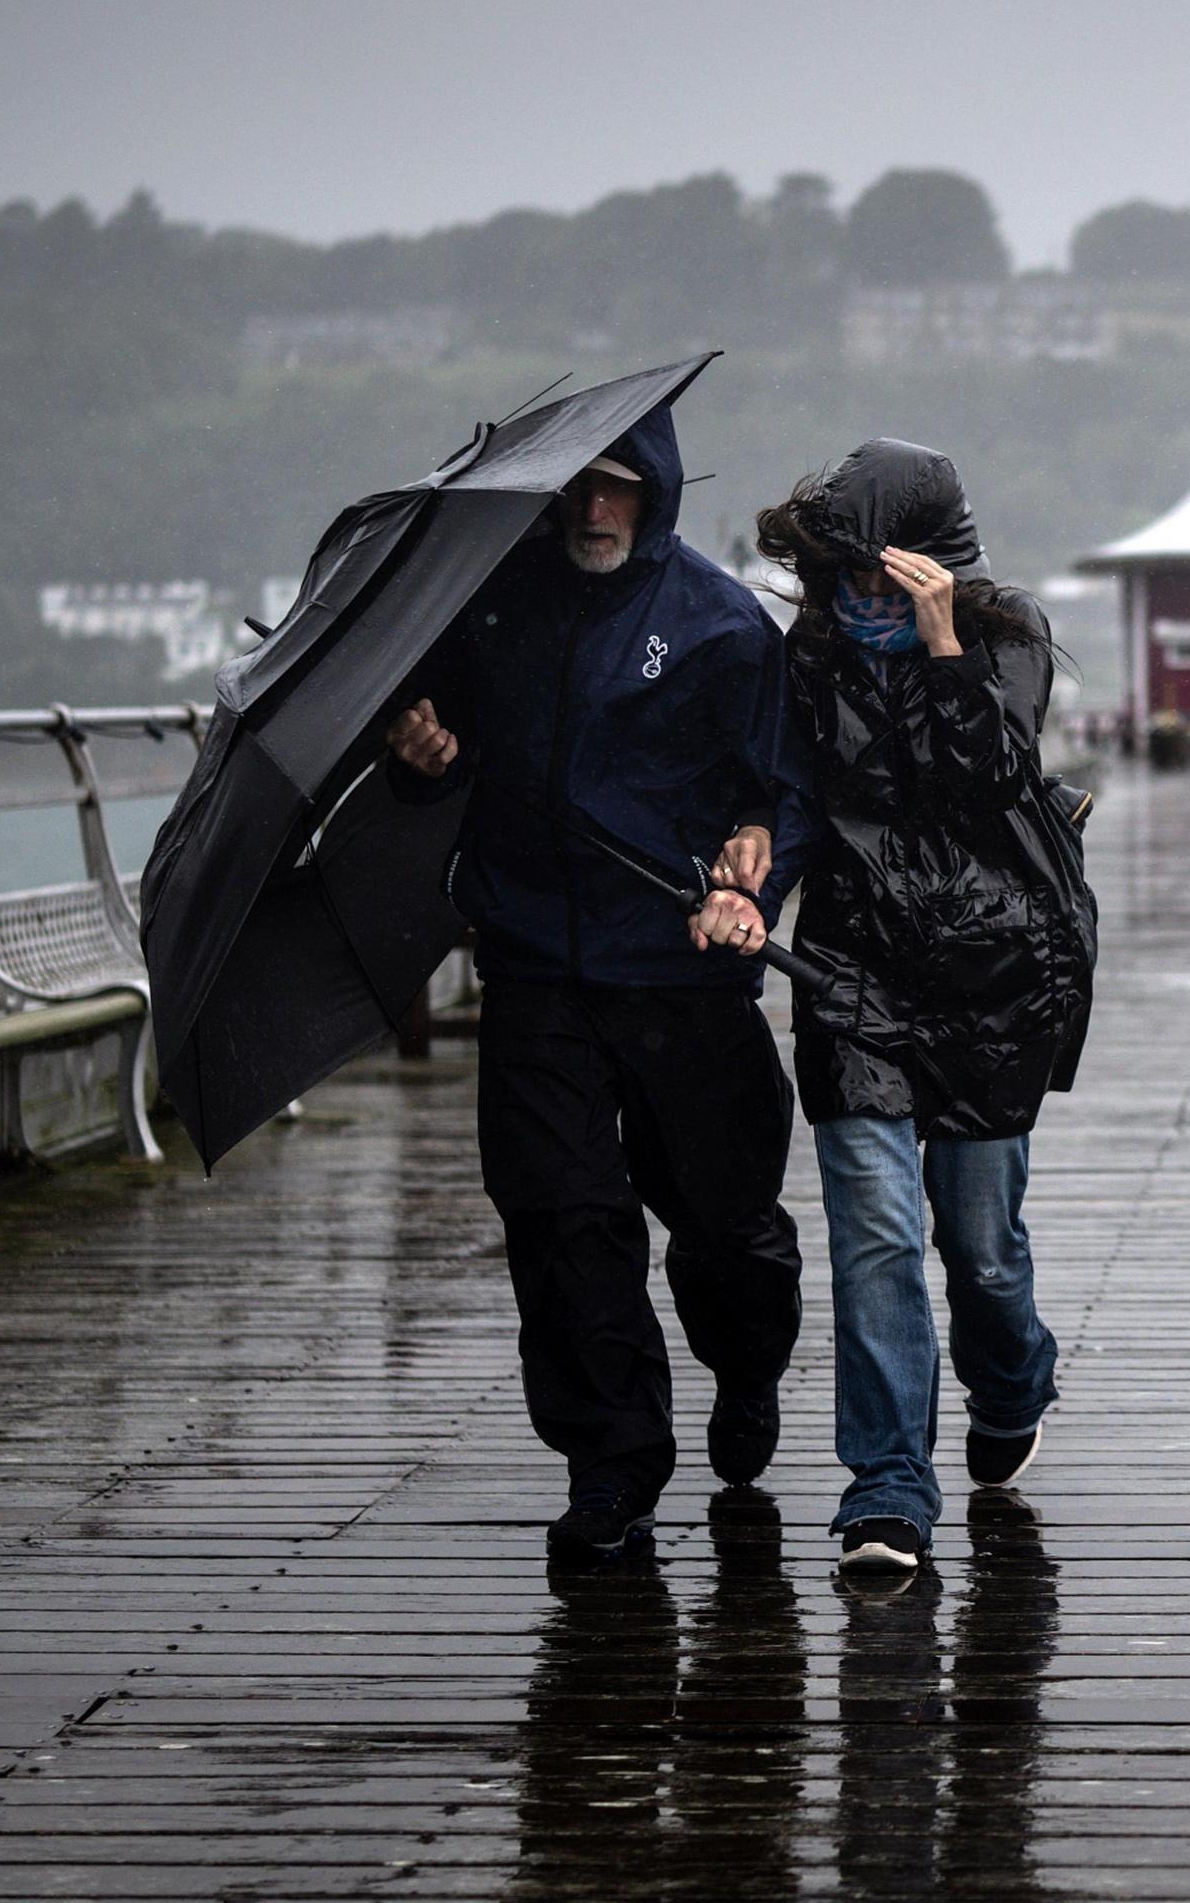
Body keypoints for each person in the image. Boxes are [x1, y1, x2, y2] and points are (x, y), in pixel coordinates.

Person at [381, 405, 814, 1563]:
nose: (593, 510)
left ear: (658, 489)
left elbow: (779, 798)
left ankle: (748, 1363)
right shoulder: (486, 611)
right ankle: (611, 1468)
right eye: (576, 488)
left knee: (725, 1227)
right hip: (533, 967)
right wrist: (422, 760)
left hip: (681, 974)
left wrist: (750, 884)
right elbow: (444, 763)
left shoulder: (722, 626)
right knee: (560, 1221)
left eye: (618, 487)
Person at [742, 441, 1096, 1581]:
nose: (861, 600)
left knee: (981, 1251)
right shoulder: (810, 655)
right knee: (878, 1235)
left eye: (884, 578)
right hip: (856, 978)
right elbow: (795, 800)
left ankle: (1013, 1380)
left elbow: (992, 783)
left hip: (995, 977)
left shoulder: (1008, 634)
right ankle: (886, 1490)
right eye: (844, 577)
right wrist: (748, 887)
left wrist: (944, 646)